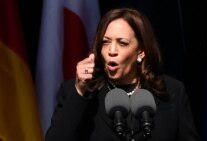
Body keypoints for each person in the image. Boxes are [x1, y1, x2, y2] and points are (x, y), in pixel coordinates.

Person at [45, 8, 199, 141]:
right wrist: (80, 91)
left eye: (122, 43)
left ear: (141, 51)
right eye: (105, 42)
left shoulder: (172, 92)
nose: (112, 51)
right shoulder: (80, 92)